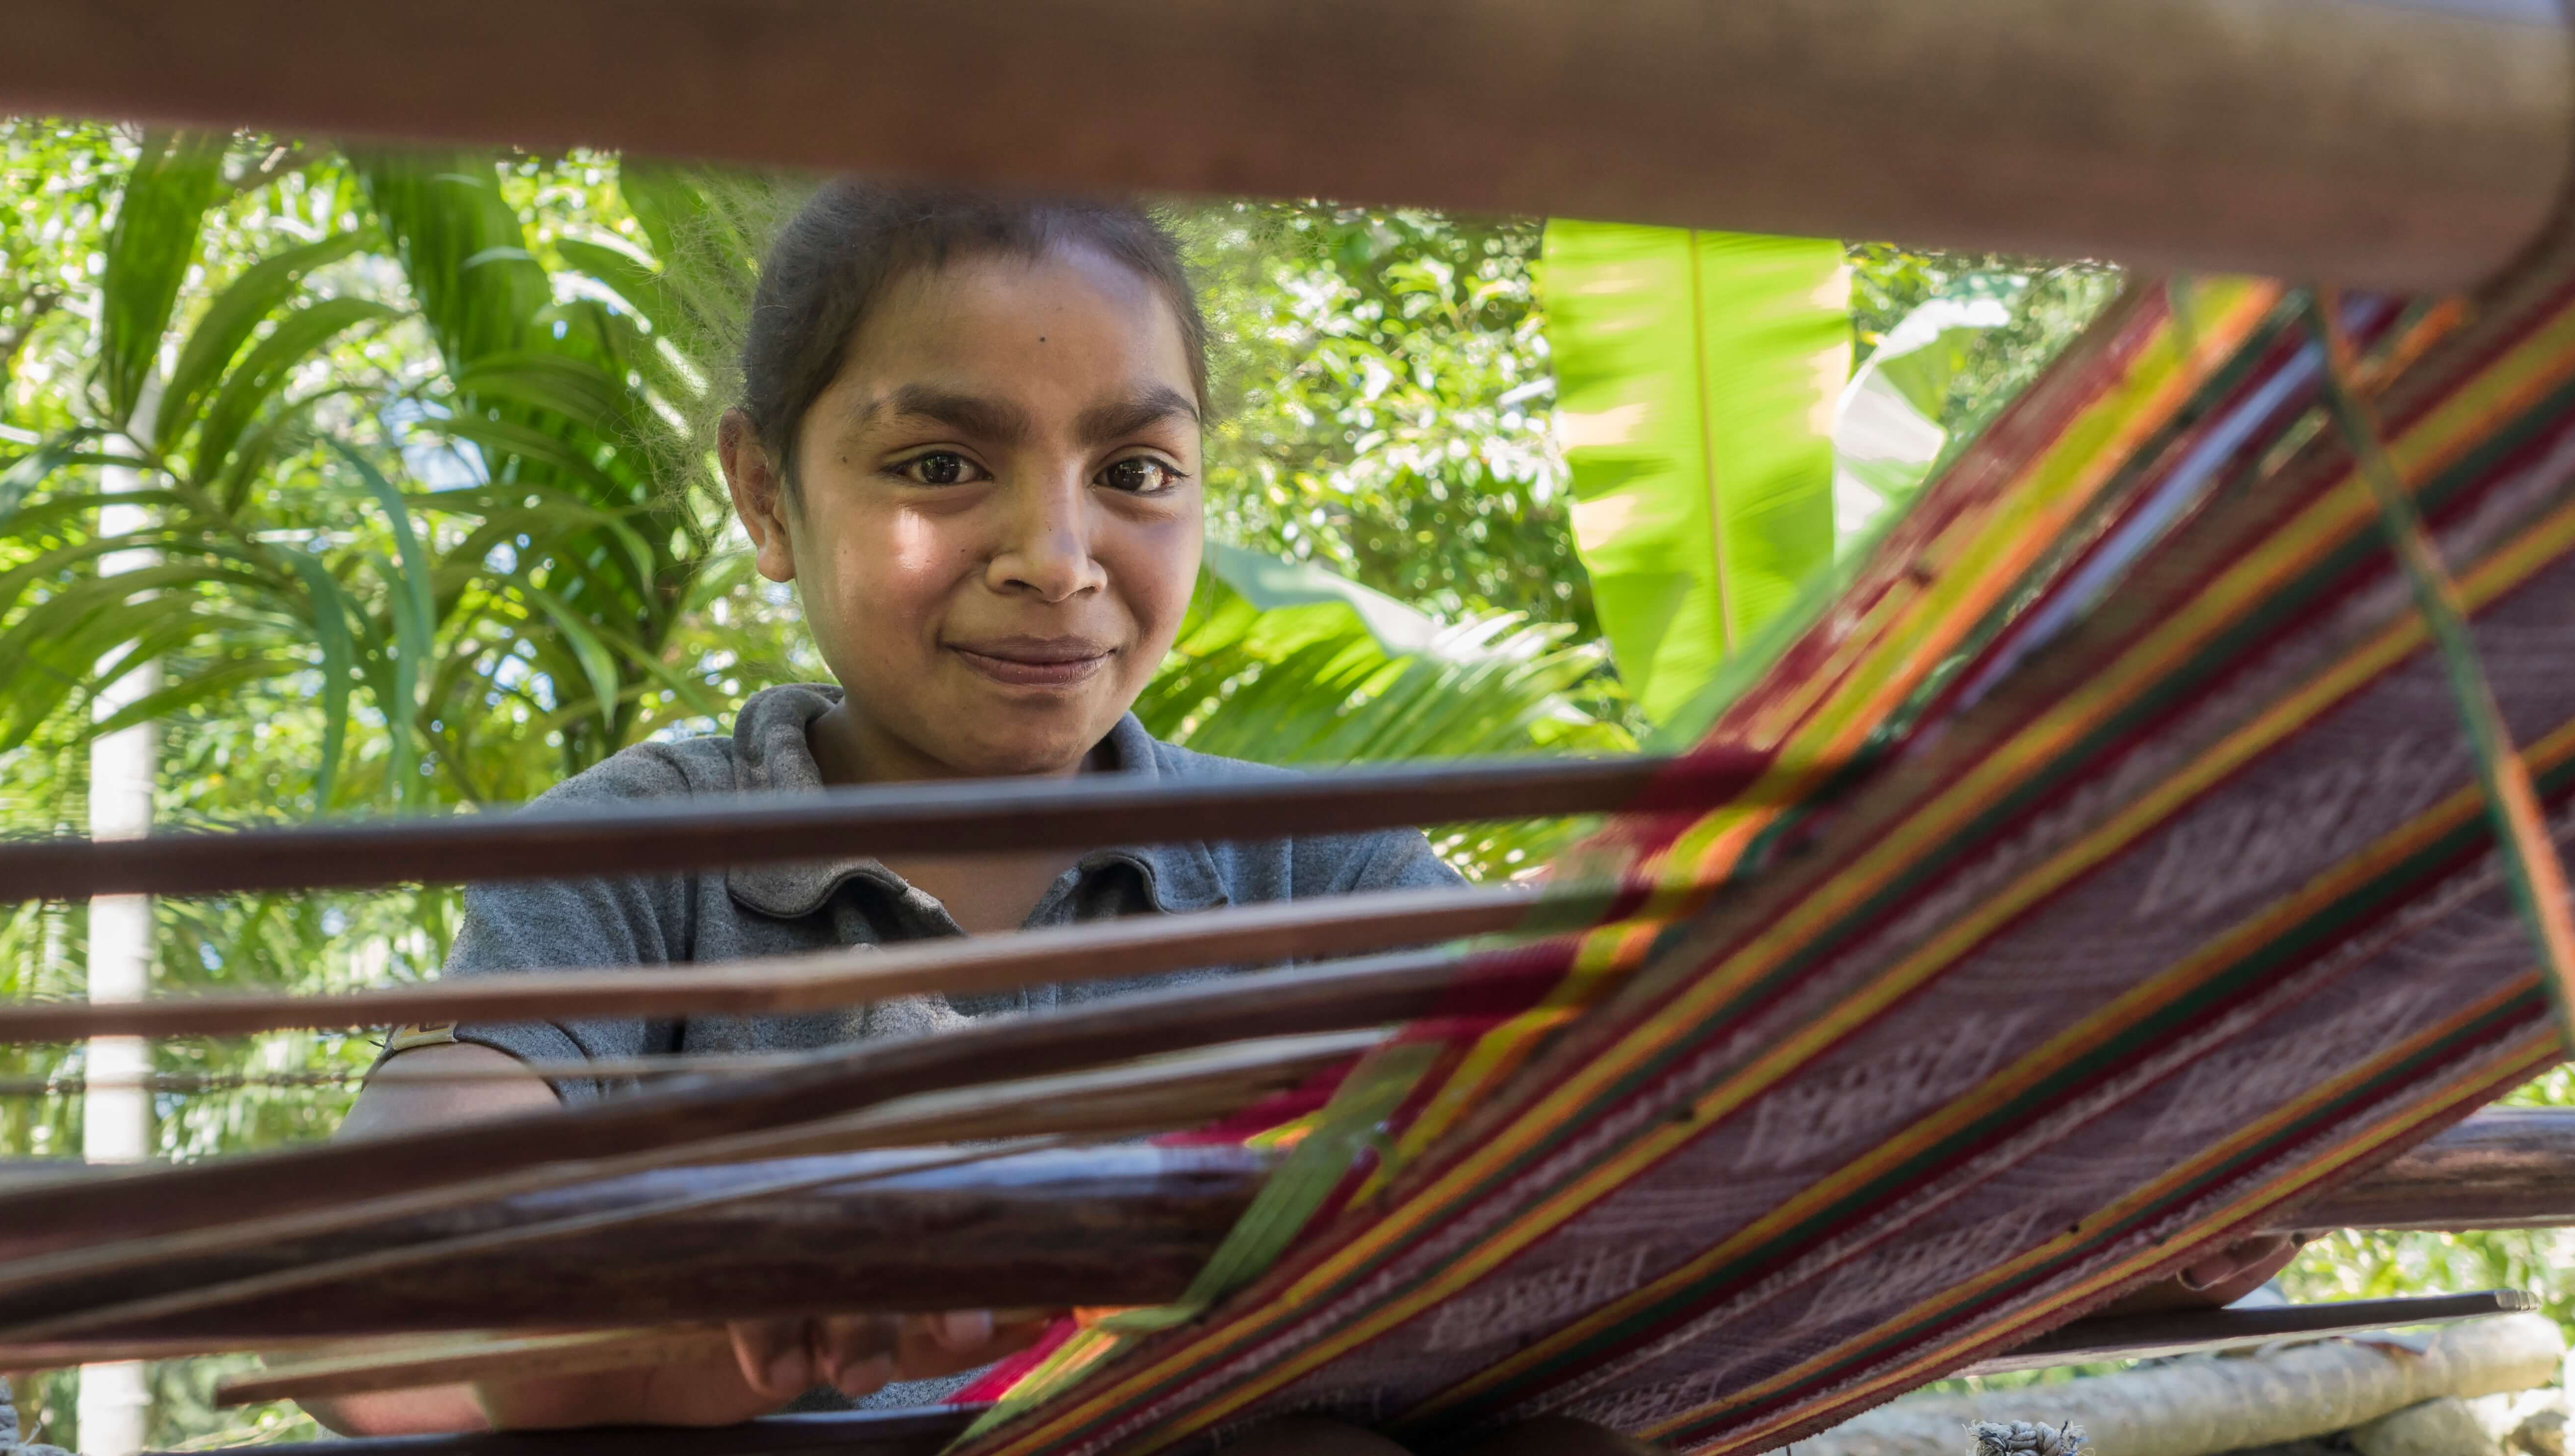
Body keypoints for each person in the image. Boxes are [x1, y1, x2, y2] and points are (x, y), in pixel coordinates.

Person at [307, 179, 2292, 1453]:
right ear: (763, 493)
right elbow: (387, 1249)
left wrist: (2097, 1174)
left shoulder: (1314, 867)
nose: (1054, 556)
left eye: (1135, 473)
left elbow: (1582, 1149)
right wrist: (759, 1239)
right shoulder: (635, 862)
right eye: (939, 463)